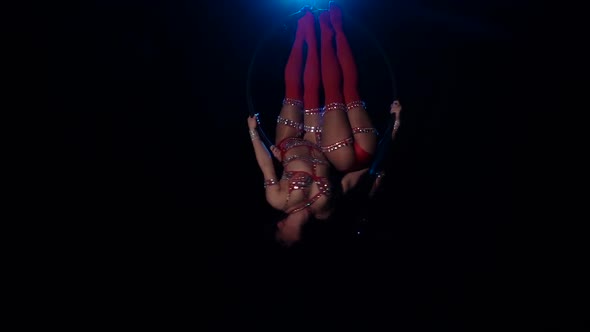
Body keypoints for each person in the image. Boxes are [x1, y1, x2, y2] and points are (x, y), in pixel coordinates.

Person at [248, 2, 402, 247]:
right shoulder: (326, 211)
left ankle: (303, 30)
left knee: (295, 90)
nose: (289, 241)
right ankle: (319, 28)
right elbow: (355, 178)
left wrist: (254, 134)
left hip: (289, 144)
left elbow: (266, 166)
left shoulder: (277, 200)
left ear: (280, 229)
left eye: (283, 240)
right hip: (319, 142)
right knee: (321, 90)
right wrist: (391, 133)